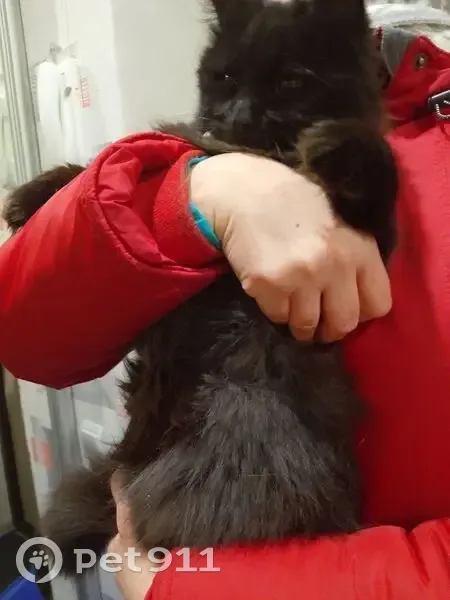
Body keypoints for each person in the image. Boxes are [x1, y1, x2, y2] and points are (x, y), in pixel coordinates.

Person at [1, 16, 450, 600]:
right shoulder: (196, 154)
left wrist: (195, 586)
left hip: (259, 527)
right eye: (223, 81)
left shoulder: (365, 153)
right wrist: (192, 194)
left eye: (287, 86)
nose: (237, 111)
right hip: (158, 494)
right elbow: (24, 333)